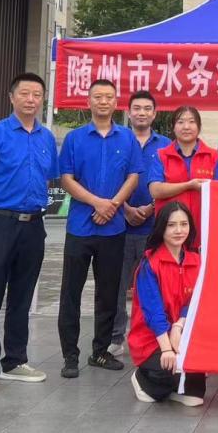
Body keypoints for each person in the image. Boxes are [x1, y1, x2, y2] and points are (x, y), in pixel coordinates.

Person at [0, 72, 57, 395]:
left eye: (37, 94)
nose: (31, 100)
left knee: (22, 295)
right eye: (25, 93)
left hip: (33, 225)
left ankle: (15, 360)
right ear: (12, 97)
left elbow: (49, 178)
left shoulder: (46, 138)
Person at [57, 78, 143, 378]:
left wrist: (113, 205)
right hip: (80, 228)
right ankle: (70, 355)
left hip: (113, 229)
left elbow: (133, 176)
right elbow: (66, 178)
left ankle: (100, 351)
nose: (103, 102)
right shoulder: (74, 139)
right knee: (71, 292)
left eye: (109, 97)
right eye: (98, 97)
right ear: (89, 101)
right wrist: (97, 203)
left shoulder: (127, 138)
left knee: (108, 293)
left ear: (116, 102)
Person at [128, 201, 206, 406]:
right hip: (152, 339)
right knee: (171, 367)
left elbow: (196, 301)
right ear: (161, 228)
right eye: (171, 225)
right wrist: (167, 349)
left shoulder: (196, 261)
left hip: (181, 334)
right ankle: (142, 379)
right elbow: (153, 312)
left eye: (184, 224)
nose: (179, 230)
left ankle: (173, 386)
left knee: (196, 395)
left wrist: (179, 326)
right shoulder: (150, 264)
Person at [110, 91, 168, 358]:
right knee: (116, 285)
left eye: (147, 108)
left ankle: (154, 337)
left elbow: (169, 181)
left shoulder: (165, 145)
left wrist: (151, 207)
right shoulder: (117, 140)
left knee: (153, 287)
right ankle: (115, 337)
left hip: (155, 227)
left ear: (154, 114)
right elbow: (110, 180)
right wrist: (124, 208)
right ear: (129, 111)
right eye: (137, 108)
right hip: (119, 224)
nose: (142, 113)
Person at [149, 105, 218, 230]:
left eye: (191, 122)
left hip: (204, 226)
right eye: (180, 122)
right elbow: (155, 190)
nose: (186, 127)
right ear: (173, 127)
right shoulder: (161, 155)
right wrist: (188, 185)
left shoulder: (214, 156)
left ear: (199, 127)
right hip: (170, 228)